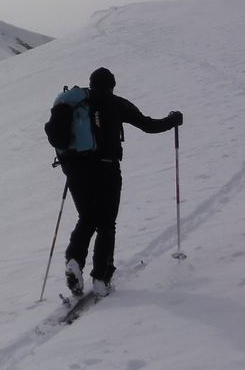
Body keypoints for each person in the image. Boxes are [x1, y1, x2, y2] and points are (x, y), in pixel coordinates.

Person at [62, 67, 183, 297]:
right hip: (107, 169)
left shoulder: (77, 104)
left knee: (87, 218)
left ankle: (74, 261)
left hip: (77, 172)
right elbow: (148, 125)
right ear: (112, 85)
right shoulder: (117, 104)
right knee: (107, 223)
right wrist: (172, 120)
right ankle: (100, 278)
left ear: (91, 83)